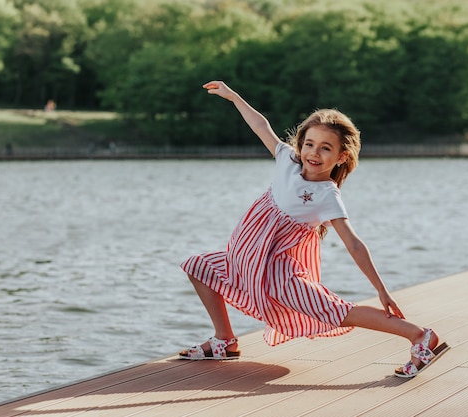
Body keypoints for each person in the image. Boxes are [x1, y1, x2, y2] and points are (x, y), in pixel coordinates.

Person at [179, 81, 449, 378]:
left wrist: (381, 290)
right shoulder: (287, 161)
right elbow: (261, 125)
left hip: (280, 275)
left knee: (338, 311)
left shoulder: (326, 195)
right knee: (199, 266)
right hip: (246, 261)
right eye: (309, 144)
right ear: (300, 144)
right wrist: (233, 97)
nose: (314, 153)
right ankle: (225, 341)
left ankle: (420, 336)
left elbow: (354, 244)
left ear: (341, 157)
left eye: (325, 148)